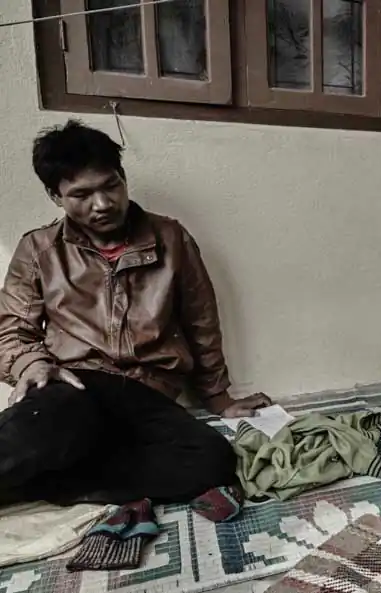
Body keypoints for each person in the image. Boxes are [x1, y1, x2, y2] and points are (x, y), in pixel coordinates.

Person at [0, 120, 271, 511]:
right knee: (36, 430)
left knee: (212, 461)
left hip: (148, 391)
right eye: (81, 194)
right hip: (76, 383)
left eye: (111, 186)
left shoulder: (171, 238)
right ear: (55, 195)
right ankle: (62, 466)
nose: (102, 204)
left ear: (123, 178)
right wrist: (30, 363)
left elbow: (201, 319)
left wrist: (218, 396)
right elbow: (13, 330)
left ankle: (56, 479)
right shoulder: (39, 249)